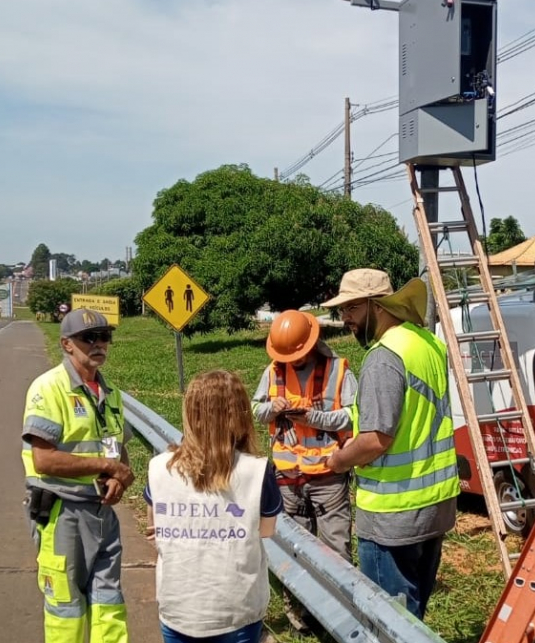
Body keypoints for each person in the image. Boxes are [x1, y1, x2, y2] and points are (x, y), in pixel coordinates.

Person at [322, 269, 460, 620]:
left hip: (394, 515)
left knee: (390, 622)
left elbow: (374, 440)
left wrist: (339, 461)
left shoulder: (384, 357)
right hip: (435, 503)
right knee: (414, 617)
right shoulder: (427, 343)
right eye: (342, 311)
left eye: (352, 308)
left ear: (378, 306)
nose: (346, 319)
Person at [21, 308, 134, 642]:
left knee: (109, 603)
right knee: (66, 608)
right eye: (88, 338)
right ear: (67, 344)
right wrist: (106, 467)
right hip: (62, 514)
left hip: (102, 512)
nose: (98, 344)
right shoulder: (49, 388)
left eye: (104, 337)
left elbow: (118, 448)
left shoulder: (110, 393)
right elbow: (44, 460)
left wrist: (119, 477)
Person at [145, 370, 282, 643]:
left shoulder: (158, 468)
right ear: (240, 415)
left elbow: (155, 527)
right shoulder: (257, 471)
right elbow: (265, 530)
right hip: (236, 609)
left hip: (178, 606)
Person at [251, 310, 357, 632]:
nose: (292, 361)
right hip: (287, 478)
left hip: (328, 474)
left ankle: (340, 619)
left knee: (335, 547)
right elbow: (257, 410)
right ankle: (300, 616)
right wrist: (274, 408)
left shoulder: (339, 370)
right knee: (293, 549)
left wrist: (315, 418)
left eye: (296, 355)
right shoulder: (273, 371)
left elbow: (354, 416)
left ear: (311, 344)